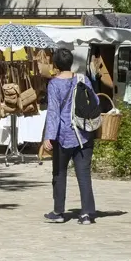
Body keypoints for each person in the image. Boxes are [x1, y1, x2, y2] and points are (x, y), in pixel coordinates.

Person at [42, 47, 98, 225]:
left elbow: (53, 113)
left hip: (63, 135)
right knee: (84, 175)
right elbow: (95, 101)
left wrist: (48, 137)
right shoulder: (83, 79)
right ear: (71, 62)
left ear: (56, 64)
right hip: (84, 133)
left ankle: (59, 212)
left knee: (59, 173)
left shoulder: (54, 84)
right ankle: (86, 214)